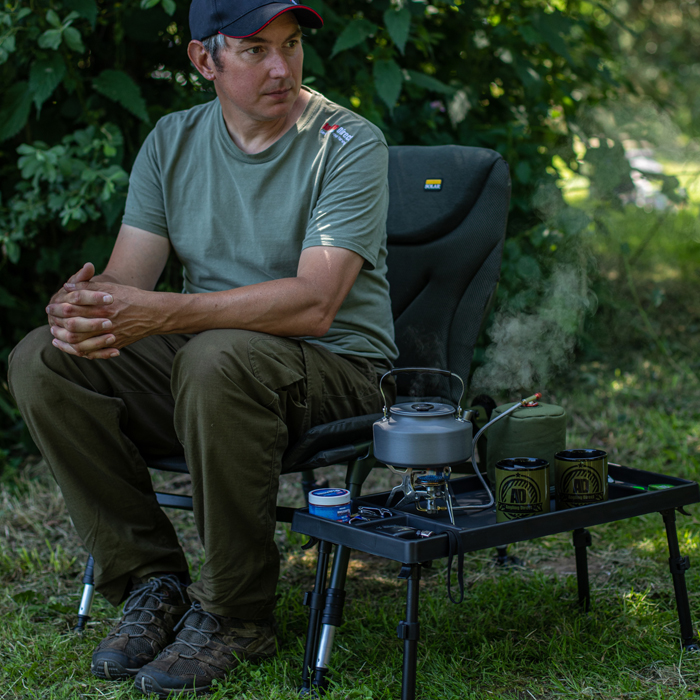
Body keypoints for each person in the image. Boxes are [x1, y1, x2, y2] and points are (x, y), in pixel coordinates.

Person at [7, 0, 397, 695]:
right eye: (255, 49)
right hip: (209, 369)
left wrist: (160, 314)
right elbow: (130, 280)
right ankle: (150, 583)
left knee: (215, 355)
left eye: (292, 43)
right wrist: (86, 312)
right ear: (202, 60)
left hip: (337, 370)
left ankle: (235, 614)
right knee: (42, 358)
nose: (282, 67)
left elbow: (315, 303)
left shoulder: (346, 140)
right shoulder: (172, 140)